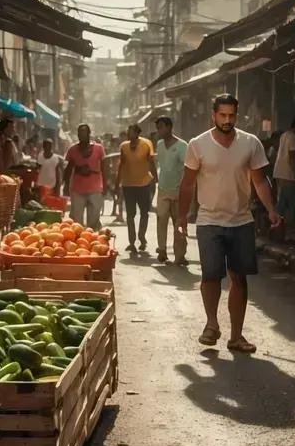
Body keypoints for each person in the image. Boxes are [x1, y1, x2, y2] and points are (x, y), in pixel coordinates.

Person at [178, 94, 282, 354]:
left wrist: (271, 209)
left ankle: (236, 336)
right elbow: (188, 183)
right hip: (209, 220)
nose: (227, 120)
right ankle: (211, 324)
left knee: (239, 278)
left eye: (231, 116)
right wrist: (181, 216)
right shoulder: (197, 144)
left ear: (237, 115)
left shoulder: (250, 143)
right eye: (222, 115)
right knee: (210, 275)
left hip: (241, 220)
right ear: (213, 115)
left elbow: (259, 181)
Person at [115, 124, 157, 254]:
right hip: (128, 184)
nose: (129, 133)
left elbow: (151, 162)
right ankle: (132, 241)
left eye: (131, 131)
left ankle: (142, 238)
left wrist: (156, 178)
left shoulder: (146, 144)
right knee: (130, 214)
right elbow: (121, 164)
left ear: (137, 133)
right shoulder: (124, 146)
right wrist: (117, 183)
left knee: (144, 213)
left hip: (144, 183)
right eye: (128, 131)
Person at [153, 116, 188, 265]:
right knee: (161, 220)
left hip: (178, 190)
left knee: (178, 223)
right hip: (162, 189)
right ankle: (162, 250)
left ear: (169, 127)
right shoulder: (160, 144)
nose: (159, 131)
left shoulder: (182, 146)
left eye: (161, 127)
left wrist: (184, 188)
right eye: (158, 128)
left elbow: (187, 169)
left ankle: (180, 255)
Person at [63, 124, 107, 230]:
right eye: (79, 133)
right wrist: (66, 185)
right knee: (76, 221)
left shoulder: (98, 149)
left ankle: (92, 240)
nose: (81, 135)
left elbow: (104, 169)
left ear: (89, 133)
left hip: (95, 189)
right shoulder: (72, 150)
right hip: (78, 190)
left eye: (84, 132)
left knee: (93, 220)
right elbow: (68, 169)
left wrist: (105, 186)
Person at [273, 116, 295, 242]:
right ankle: (291, 233)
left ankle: (276, 229)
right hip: (288, 174)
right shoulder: (293, 137)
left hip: (279, 173)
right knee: (291, 205)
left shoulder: (284, 135)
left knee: (282, 203)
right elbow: (292, 156)